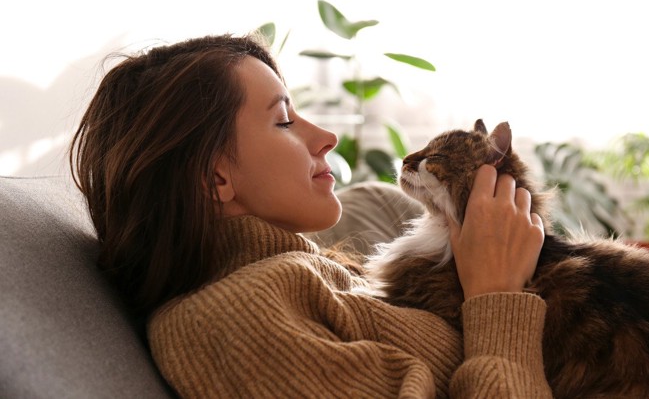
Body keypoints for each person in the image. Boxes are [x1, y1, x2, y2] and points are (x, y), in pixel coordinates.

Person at [67, 33, 550, 397]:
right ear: (215, 180)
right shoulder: (233, 320)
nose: (326, 137)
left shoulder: (310, 275)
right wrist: (498, 299)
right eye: (283, 121)